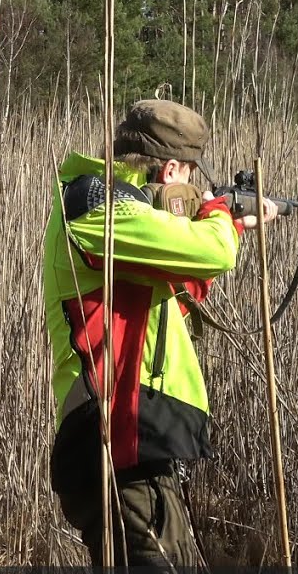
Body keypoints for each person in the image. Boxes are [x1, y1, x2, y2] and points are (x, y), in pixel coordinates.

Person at [42, 99, 280, 569]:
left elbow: (175, 287)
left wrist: (223, 223)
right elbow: (213, 251)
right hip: (117, 430)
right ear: (172, 169)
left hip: (136, 438)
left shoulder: (126, 214)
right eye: (191, 173)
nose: (193, 184)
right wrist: (219, 217)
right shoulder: (94, 203)